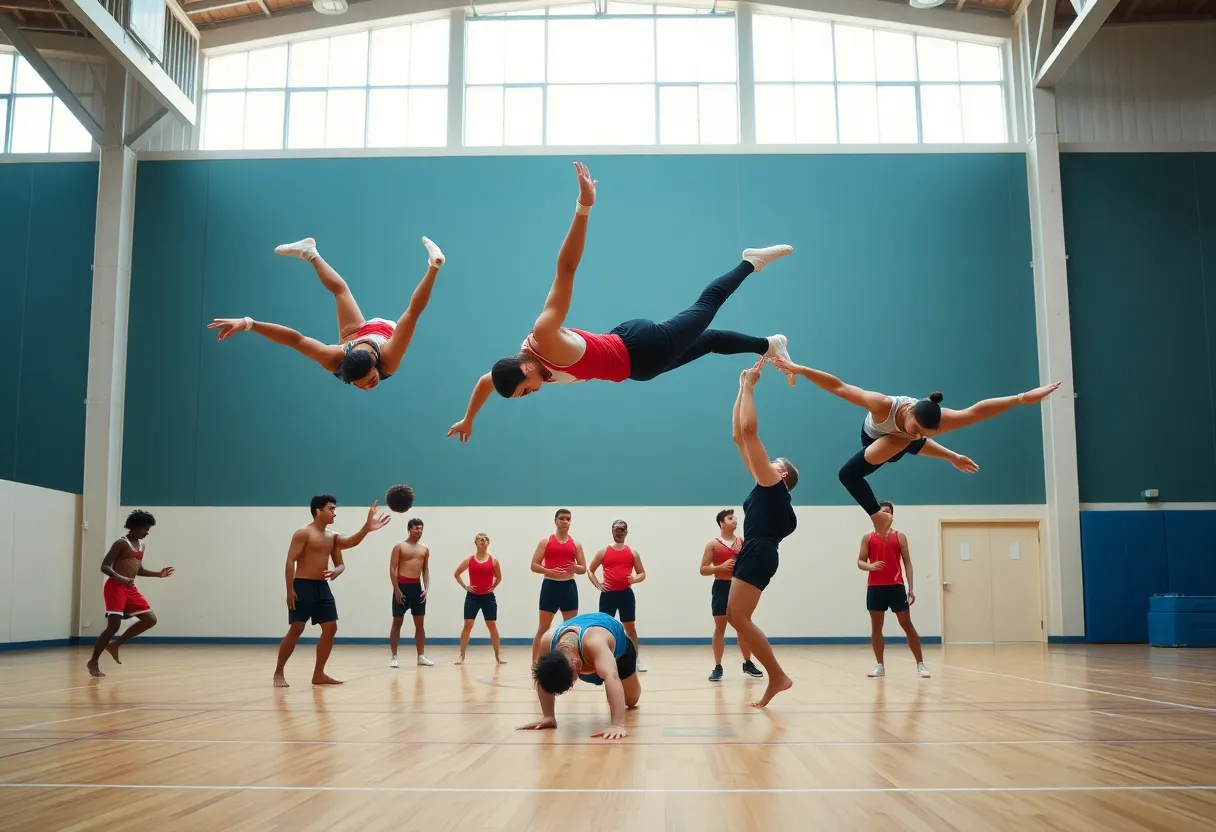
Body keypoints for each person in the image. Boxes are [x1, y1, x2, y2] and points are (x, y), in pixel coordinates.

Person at [446, 161, 797, 443]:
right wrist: (468, 418)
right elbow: (485, 383)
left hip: (642, 350)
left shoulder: (545, 336)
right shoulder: (516, 366)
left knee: (708, 305)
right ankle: (770, 345)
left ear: (525, 370)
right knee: (711, 342)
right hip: (635, 358)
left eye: (524, 392)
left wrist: (583, 207)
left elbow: (565, 270)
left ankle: (750, 262)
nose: (529, 395)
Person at [769, 356, 1061, 538]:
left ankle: (882, 511)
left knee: (906, 442)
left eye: (926, 432)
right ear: (909, 412)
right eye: (917, 428)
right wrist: (800, 369)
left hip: (898, 446)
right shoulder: (883, 405)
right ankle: (877, 515)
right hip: (873, 440)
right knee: (849, 473)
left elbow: (977, 411)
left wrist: (1022, 397)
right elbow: (839, 387)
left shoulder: (936, 422)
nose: (920, 433)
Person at [207, 236, 445, 391]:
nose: (367, 387)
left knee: (342, 292)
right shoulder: (337, 356)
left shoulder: (387, 358)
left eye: (370, 380)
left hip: (379, 333)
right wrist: (248, 323)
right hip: (359, 339)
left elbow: (413, 312)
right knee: (341, 291)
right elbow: (295, 339)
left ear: (375, 364)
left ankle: (310, 252)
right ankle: (310, 252)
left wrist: (433, 268)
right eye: (362, 383)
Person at [727, 359, 799, 709]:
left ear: (782, 475)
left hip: (759, 551)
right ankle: (776, 677)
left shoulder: (773, 485)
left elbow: (750, 432)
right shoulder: (764, 483)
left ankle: (778, 676)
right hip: (756, 550)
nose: (770, 463)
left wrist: (751, 388)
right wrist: (741, 387)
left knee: (738, 617)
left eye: (776, 462)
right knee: (736, 617)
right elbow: (738, 436)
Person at [273, 496, 390, 687]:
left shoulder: (333, 536)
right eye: (331, 509)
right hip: (302, 585)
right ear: (318, 511)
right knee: (297, 628)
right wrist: (289, 590)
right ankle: (278, 672)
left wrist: (366, 529)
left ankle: (319, 674)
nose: (335, 513)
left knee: (331, 628)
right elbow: (290, 560)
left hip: (322, 587)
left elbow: (348, 548)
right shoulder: (303, 533)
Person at [518, 612, 640, 741]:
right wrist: (548, 716)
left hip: (621, 655)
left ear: (574, 663)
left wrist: (617, 724)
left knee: (631, 700)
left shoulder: (595, 643)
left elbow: (612, 677)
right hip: (589, 659)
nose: (572, 685)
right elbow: (543, 676)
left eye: (572, 681)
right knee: (550, 673)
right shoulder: (547, 641)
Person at [86, 510, 174, 678]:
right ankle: (93, 661)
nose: (147, 532)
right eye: (145, 528)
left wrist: (158, 574)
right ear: (134, 526)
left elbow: (138, 570)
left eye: (148, 529)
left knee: (150, 619)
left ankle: (115, 644)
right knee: (113, 626)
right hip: (115, 587)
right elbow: (105, 566)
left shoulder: (142, 546)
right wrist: (120, 578)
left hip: (130, 588)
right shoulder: (121, 543)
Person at [860, 501, 930, 679]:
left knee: (907, 624)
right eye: (882, 511)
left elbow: (907, 563)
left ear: (892, 515)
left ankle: (920, 664)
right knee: (876, 627)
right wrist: (870, 566)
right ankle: (880, 666)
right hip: (875, 588)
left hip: (896, 587)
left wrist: (911, 588)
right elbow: (860, 561)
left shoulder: (900, 537)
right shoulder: (868, 538)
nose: (886, 514)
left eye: (888, 511)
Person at [700, 509, 763, 682]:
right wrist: (720, 568)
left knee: (742, 626)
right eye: (730, 518)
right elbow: (703, 569)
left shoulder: (742, 542)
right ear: (721, 523)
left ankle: (748, 663)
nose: (735, 520)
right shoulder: (713, 544)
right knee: (720, 627)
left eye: (735, 518)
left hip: (738, 587)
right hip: (721, 586)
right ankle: (718, 666)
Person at [587, 519, 648, 673]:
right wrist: (598, 584)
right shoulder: (604, 551)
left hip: (626, 595)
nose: (619, 532)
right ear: (612, 531)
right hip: (608, 596)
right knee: (604, 629)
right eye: (616, 529)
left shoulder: (632, 553)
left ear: (626, 532)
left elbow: (642, 573)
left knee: (630, 628)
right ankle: (603, 658)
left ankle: (635, 660)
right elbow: (590, 570)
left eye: (622, 529)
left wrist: (635, 579)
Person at [530, 509, 587, 663]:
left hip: (568, 587)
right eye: (562, 518)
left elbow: (583, 568)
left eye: (568, 519)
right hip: (550, 586)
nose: (565, 521)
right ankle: (535, 663)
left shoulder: (575, 544)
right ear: (555, 521)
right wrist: (548, 571)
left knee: (570, 628)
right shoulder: (546, 541)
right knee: (543, 627)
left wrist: (575, 567)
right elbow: (534, 565)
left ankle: (568, 663)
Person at [453, 533, 505, 665]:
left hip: (488, 597)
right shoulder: (470, 560)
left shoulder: (493, 561)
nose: (483, 540)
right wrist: (466, 586)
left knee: (492, 625)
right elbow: (457, 574)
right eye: (480, 539)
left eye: (485, 539)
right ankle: (461, 655)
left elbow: (499, 577)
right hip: (473, 597)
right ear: (475, 542)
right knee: (468, 624)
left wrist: (493, 587)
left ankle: (498, 656)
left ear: (488, 543)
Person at [389, 517, 432, 668]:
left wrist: (426, 588)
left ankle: (421, 656)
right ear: (409, 529)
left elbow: (425, 570)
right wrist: (396, 589)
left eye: (421, 528)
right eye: (416, 528)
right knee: (397, 622)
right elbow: (392, 569)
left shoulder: (424, 549)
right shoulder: (400, 547)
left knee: (420, 624)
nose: (419, 531)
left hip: (416, 588)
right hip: (402, 586)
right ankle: (394, 656)